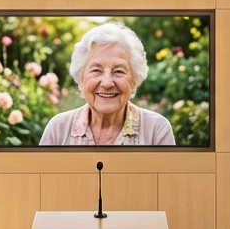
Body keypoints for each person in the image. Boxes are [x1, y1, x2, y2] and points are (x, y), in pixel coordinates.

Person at [39, 22, 176, 146]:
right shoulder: (58, 129)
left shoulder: (156, 130)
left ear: (134, 80)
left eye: (119, 71)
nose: (107, 83)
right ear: (81, 78)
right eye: (96, 70)